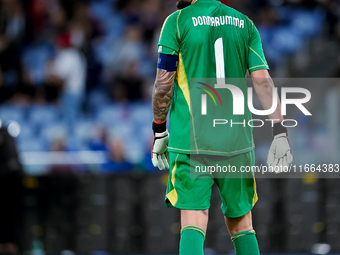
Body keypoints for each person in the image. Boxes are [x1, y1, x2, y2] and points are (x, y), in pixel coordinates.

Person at [151, 0, 293, 254]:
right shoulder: (245, 24)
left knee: (194, 220)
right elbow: (262, 81)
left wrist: (159, 129)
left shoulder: (177, 22)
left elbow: (163, 85)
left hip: (192, 141)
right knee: (242, 223)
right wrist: (279, 131)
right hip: (236, 142)